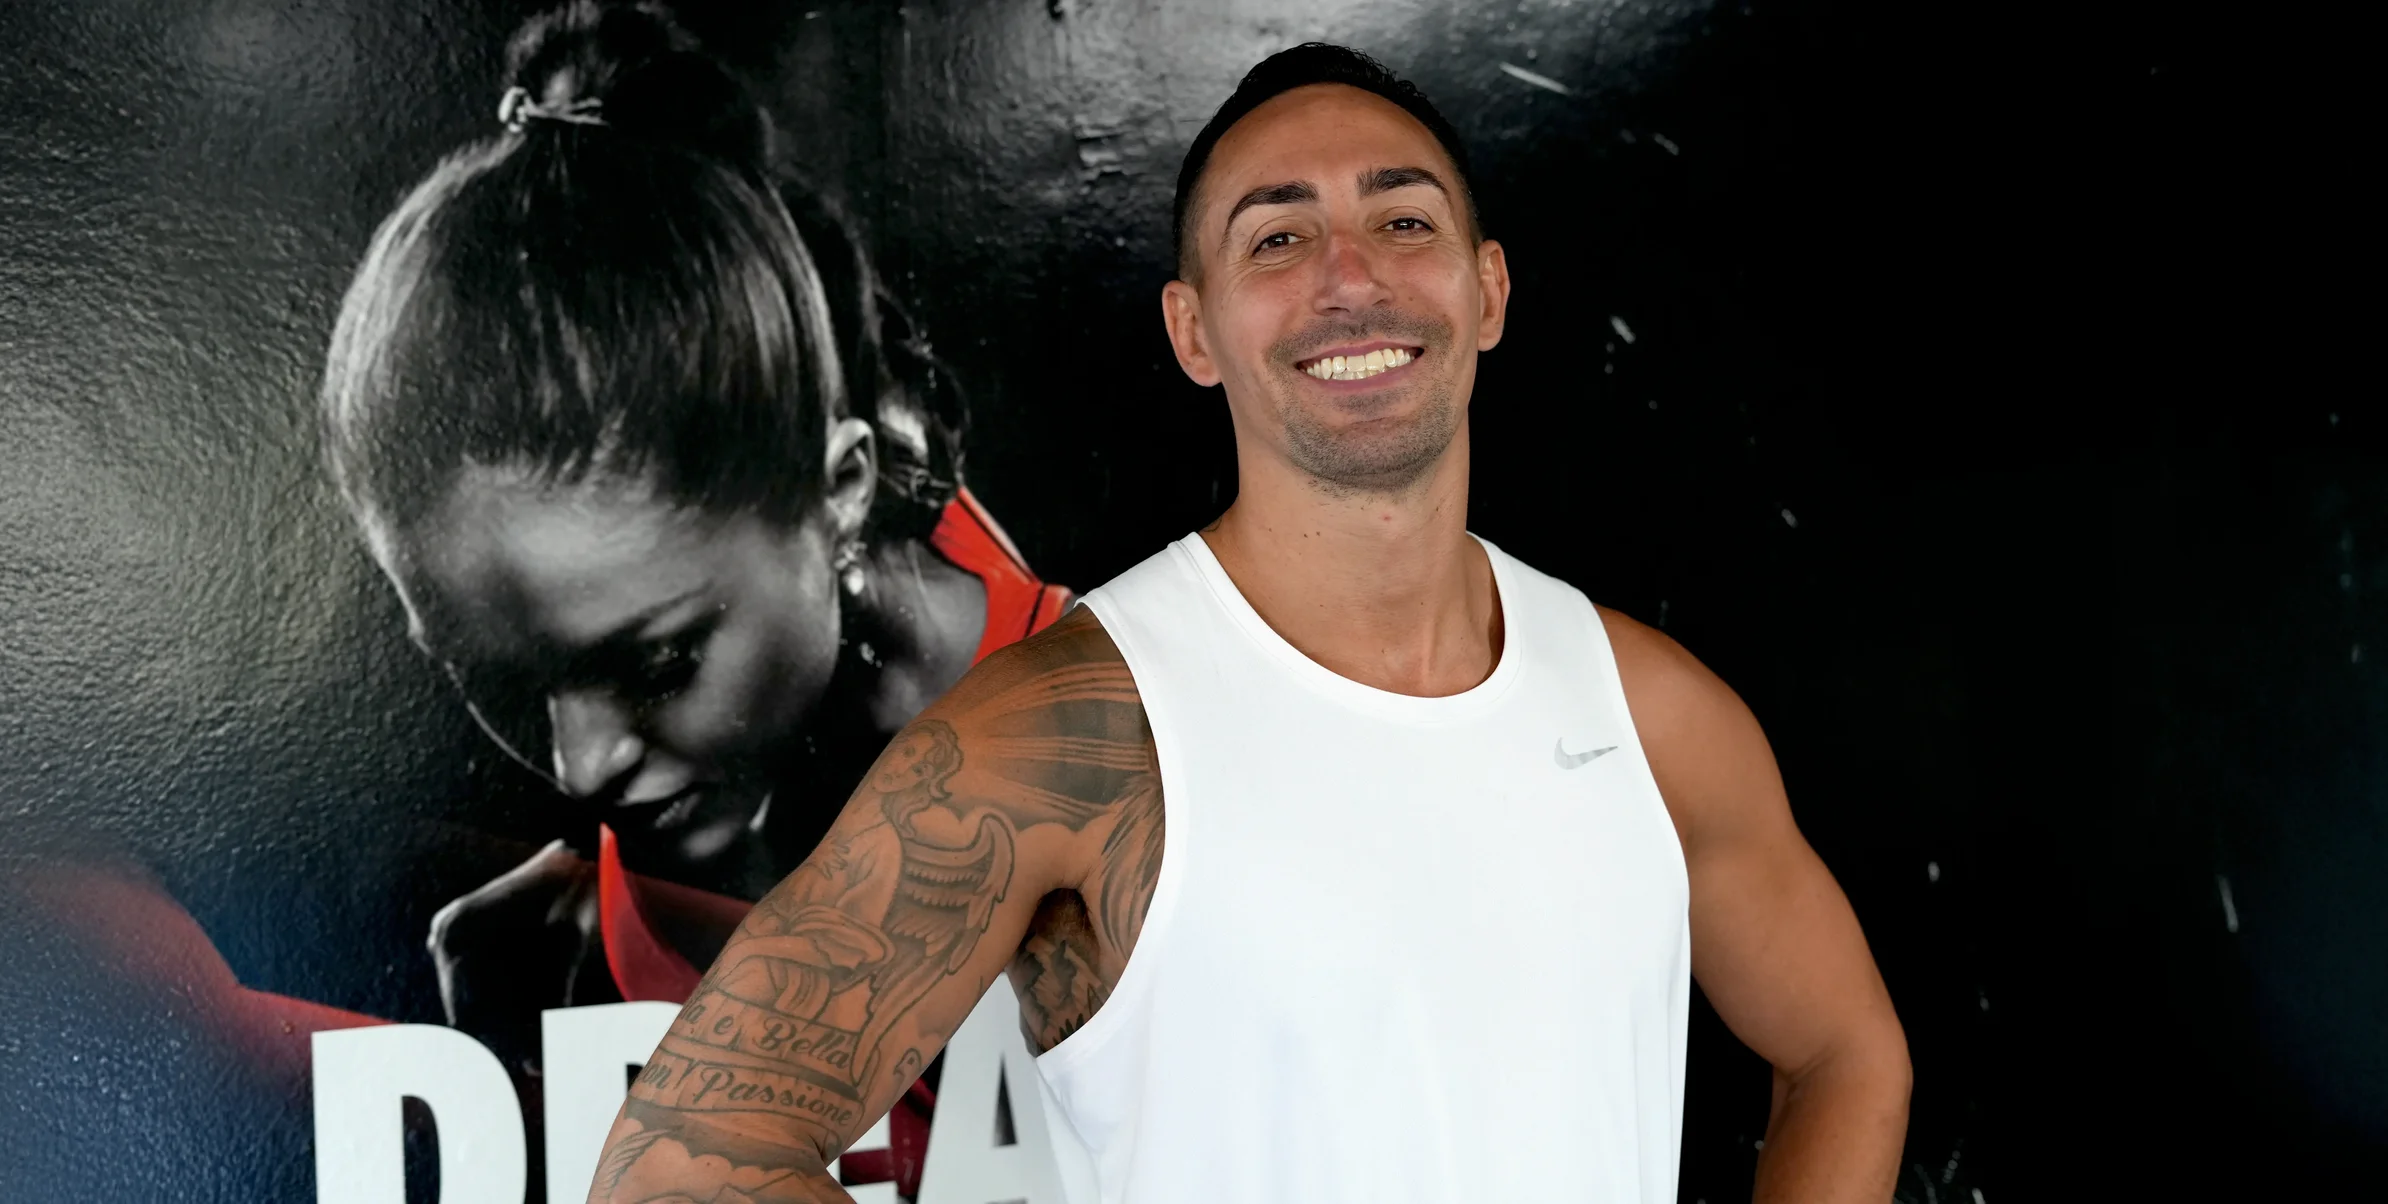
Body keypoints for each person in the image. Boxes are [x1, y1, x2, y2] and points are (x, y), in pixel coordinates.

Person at [585, 42, 1913, 1204]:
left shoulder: (1648, 710)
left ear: (1490, 292)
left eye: (1405, 224)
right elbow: (684, 1159)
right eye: (1276, 239)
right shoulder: (1069, 732)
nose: (1352, 277)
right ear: (1194, 330)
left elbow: (1845, 1055)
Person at [317, 1, 1068, 1190]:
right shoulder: (580, 924)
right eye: (501, 680)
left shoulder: (1144, 767)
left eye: (656, 662)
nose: (580, 770)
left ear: (838, 496)